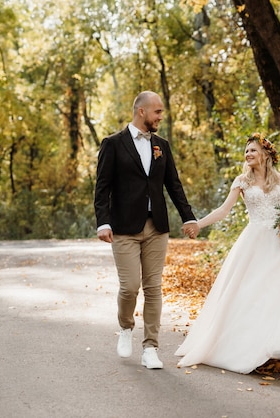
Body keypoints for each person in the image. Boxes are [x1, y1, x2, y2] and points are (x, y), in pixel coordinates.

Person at [174, 133, 280, 374]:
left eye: (252, 150)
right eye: (246, 152)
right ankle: (248, 342)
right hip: (254, 242)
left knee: (279, 291)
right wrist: (199, 224)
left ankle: (277, 342)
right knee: (252, 291)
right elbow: (223, 210)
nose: (248, 155)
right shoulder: (242, 182)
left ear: (265, 154)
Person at [94, 91, 199, 369]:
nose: (160, 117)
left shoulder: (161, 145)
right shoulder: (113, 144)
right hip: (124, 228)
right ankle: (126, 327)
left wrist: (188, 218)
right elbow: (102, 188)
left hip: (157, 227)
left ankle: (151, 347)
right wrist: (102, 222)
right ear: (141, 111)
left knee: (153, 287)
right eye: (157, 112)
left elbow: (173, 185)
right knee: (129, 287)